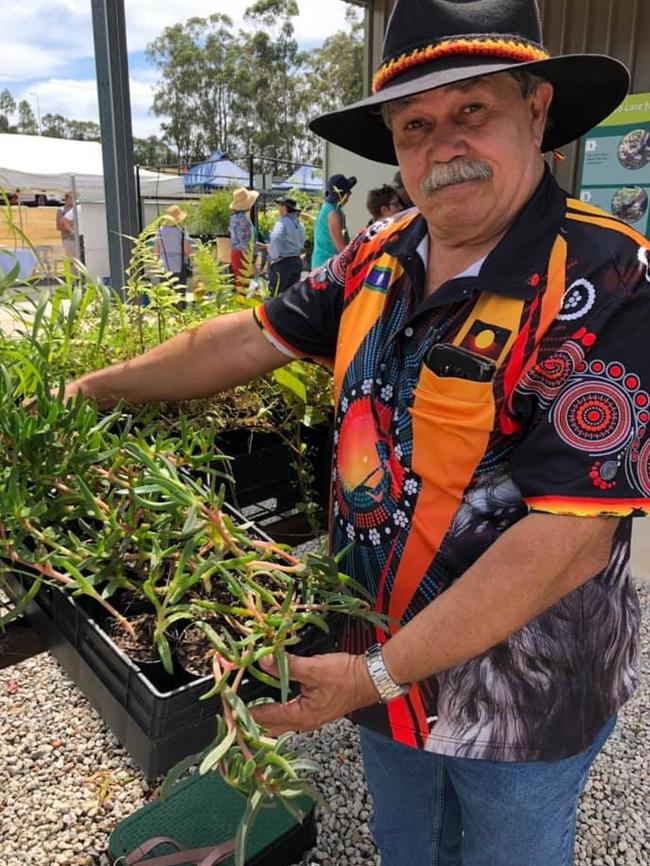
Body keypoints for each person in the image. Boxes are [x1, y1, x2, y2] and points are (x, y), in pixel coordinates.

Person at [63, 2, 642, 864]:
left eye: (472, 110)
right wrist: (91, 389)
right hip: (374, 655)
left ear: (538, 109)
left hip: (521, 693)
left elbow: (570, 540)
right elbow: (251, 336)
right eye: (415, 126)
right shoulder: (379, 252)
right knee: (405, 841)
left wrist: (378, 672)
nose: (443, 146)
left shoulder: (610, 279)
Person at [311, 173, 356, 268]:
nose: (350, 195)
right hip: (326, 267)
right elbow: (341, 249)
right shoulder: (333, 213)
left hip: (324, 264)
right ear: (343, 194)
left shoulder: (330, 208)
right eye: (348, 192)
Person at [266, 197, 306, 295]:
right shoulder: (299, 224)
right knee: (291, 297)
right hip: (296, 261)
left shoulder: (282, 222)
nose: (278, 209)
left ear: (284, 208)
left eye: (279, 206)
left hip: (282, 263)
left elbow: (275, 237)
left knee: (276, 295)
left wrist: (274, 258)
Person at [153, 205, 192, 304]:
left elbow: (156, 250)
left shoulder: (160, 231)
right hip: (179, 266)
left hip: (163, 266)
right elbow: (187, 250)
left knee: (166, 294)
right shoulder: (182, 232)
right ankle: (180, 313)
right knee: (180, 295)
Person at [229, 187, 259, 290]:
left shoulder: (233, 218)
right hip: (245, 257)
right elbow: (247, 244)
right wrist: (253, 262)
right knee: (247, 287)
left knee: (240, 284)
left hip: (236, 254)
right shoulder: (244, 220)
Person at [56, 192, 76, 261]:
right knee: (71, 257)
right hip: (68, 238)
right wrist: (70, 226)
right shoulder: (61, 210)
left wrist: (68, 223)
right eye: (71, 198)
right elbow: (59, 225)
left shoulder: (77, 209)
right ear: (66, 199)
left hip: (78, 238)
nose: (73, 200)